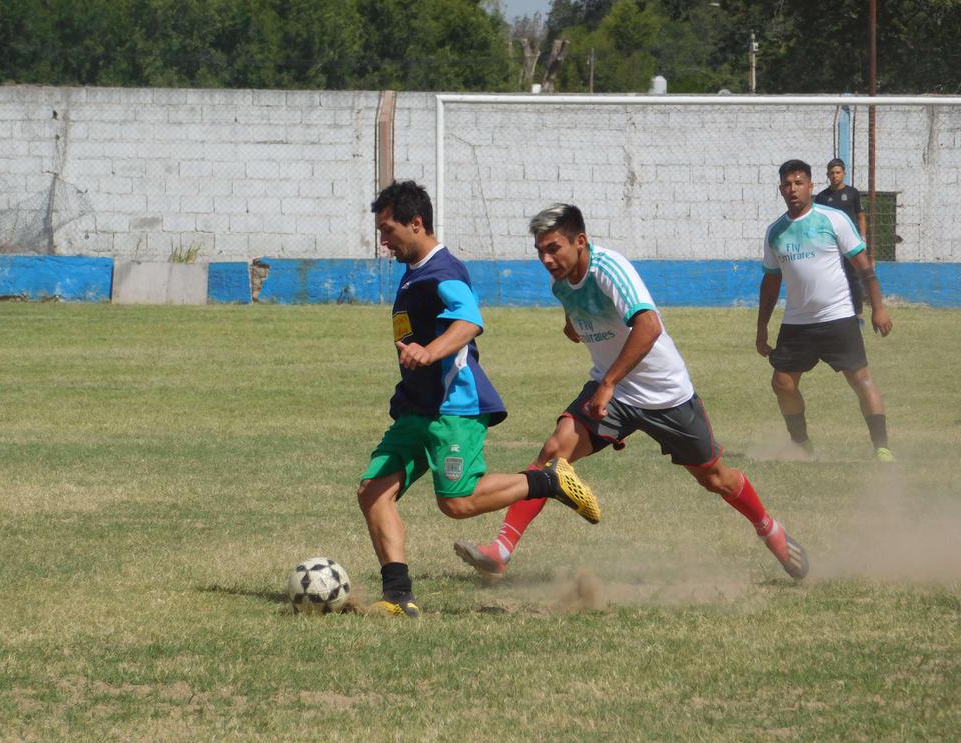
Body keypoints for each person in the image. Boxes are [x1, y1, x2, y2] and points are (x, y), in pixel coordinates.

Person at [454, 203, 808, 584]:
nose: (546, 258)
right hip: (615, 391)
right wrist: (577, 332)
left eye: (553, 248)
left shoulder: (610, 268)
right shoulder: (561, 284)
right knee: (554, 453)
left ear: (581, 241)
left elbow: (649, 325)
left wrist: (607, 383)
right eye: (540, 250)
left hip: (665, 394)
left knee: (715, 479)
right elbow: (577, 316)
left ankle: (769, 529)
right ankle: (502, 550)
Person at [359, 181, 600, 618]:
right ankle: (398, 596)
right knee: (373, 491)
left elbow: (469, 321)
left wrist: (429, 352)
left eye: (389, 229)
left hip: (453, 409)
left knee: (458, 501)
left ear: (417, 223)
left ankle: (549, 481)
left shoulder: (442, 271)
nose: (384, 240)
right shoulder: (415, 273)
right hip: (416, 408)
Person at [757, 159, 894, 462]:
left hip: (838, 318)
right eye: (787, 184)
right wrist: (761, 328)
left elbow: (864, 269)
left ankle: (882, 448)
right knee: (782, 383)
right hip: (797, 323)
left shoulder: (833, 220)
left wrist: (878, 309)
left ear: (810, 186)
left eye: (799, 183)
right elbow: (770, 283)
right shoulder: (775, 232)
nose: (793, 189)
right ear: (781, 190)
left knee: (860, 379)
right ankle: (801, 444)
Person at [814, 158, 868, 325]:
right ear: (827, 175)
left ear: (843, 174)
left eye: (838, 172)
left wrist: (862, 237)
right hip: (830, 244)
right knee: (830, 276)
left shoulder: (852, 193)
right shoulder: (822, 197)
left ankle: (857, 313)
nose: (835, 176)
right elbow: (818, 220)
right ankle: (830, 312)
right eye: (832, 173)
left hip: (850, 242)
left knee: (853, 276)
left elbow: (860, 216)